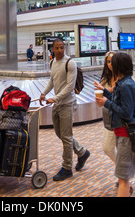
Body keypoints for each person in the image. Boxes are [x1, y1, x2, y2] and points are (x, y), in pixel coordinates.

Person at [94, 52, 135, 197]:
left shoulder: (126, 85)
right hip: (125, 133)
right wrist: (105, 93)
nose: (110, 65)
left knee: (123, 179)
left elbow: (126, 112)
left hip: (126, 135)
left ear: (119, 66)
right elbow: (118, 100)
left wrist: (106, 103)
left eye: (112, 62)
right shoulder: (124, 83)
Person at [39, 38, 90, 181]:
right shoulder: (52, 62)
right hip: (58, 103)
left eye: (62, 47)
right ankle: (82, 152)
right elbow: (52, 80)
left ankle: (67, 168)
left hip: (67, 103)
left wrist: (54, 98)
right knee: (59, 133)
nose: (60, 50)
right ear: (53, 49)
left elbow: (69, 87)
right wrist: (44, 93)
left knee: (66, 136)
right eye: (57, 48)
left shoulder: (70, 63)